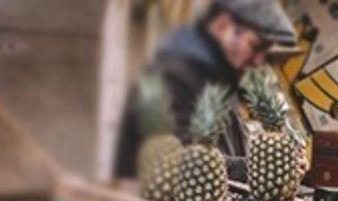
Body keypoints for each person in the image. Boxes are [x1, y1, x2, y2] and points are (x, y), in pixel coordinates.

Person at [114, 0, 296, 182]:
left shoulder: (220, 77)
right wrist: (257, 168)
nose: (259, 61)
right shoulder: (174, 77)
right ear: (222, 26)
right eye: (256, 46)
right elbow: (180, 164)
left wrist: (274, 163)